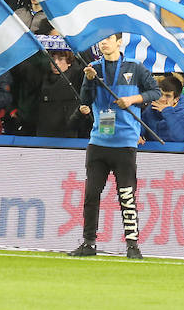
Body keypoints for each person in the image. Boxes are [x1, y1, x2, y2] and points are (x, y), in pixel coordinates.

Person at [68, 33, 160, 259]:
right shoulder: (94, 68)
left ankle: (132, 245)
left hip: (125, 142)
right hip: (99, 141)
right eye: (101, 39)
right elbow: (85, 100)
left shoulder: (134, 67)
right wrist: (89, 80)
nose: (103, 42)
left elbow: (155, 92)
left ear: (120, 42)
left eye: (108, 38)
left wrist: (132, 99)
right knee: (91, 194)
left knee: (126, 195)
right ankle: (89, 243)